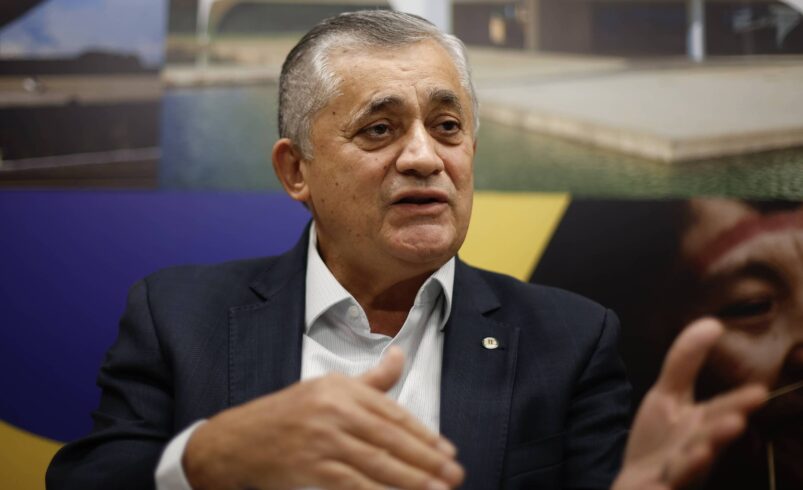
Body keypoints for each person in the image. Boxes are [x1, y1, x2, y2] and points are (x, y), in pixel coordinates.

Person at [46, 10, 767, 490]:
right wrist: (205, 459)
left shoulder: (571, 338)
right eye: (379, 130)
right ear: (296, 171)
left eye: (447, 127)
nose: (425, 157)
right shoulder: (180, 315)